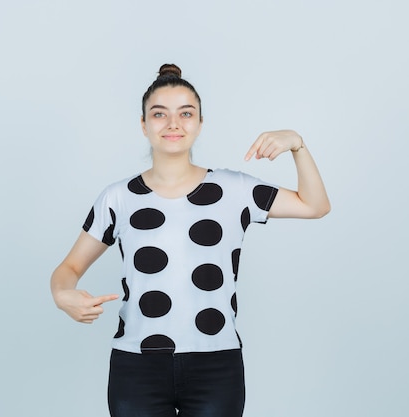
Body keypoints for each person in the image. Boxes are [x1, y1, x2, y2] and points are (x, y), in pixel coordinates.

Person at [50, 63, 330, 417]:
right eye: (159, 114)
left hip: (216, 364)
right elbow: (69, 267)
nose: (173, 123)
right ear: (143, 124)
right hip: (137, 367)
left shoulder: (235, 189)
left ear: (199, 123)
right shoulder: (118, 198)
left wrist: (297, 145)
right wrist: (62, 294)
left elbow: (316, 205)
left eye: (186, 113)